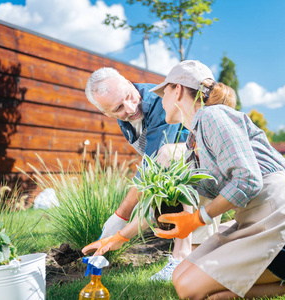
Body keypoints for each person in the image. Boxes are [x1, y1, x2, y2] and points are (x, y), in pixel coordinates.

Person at [84, 60, 285, 299]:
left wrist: (198, 218)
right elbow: (169, 204)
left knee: (188, 289)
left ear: (177, 90)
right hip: (257, 221)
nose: (157, 100)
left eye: (163, 93)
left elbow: (251, 180)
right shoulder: (194, 143)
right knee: (183, 279)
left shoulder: (213, 116)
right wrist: (119, 236)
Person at [84, 67, 220, 281]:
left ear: (129, 83)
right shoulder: (125, 116)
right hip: (195, 167)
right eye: (118, 108)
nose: (130, 108)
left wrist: (122, 215)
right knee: (200, 244)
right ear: (106, 113)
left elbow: (154, 166)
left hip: (210, 157)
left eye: (128, 97)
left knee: (167, 167)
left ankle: (179, 256)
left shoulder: (158, 101)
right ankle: (193, 258)